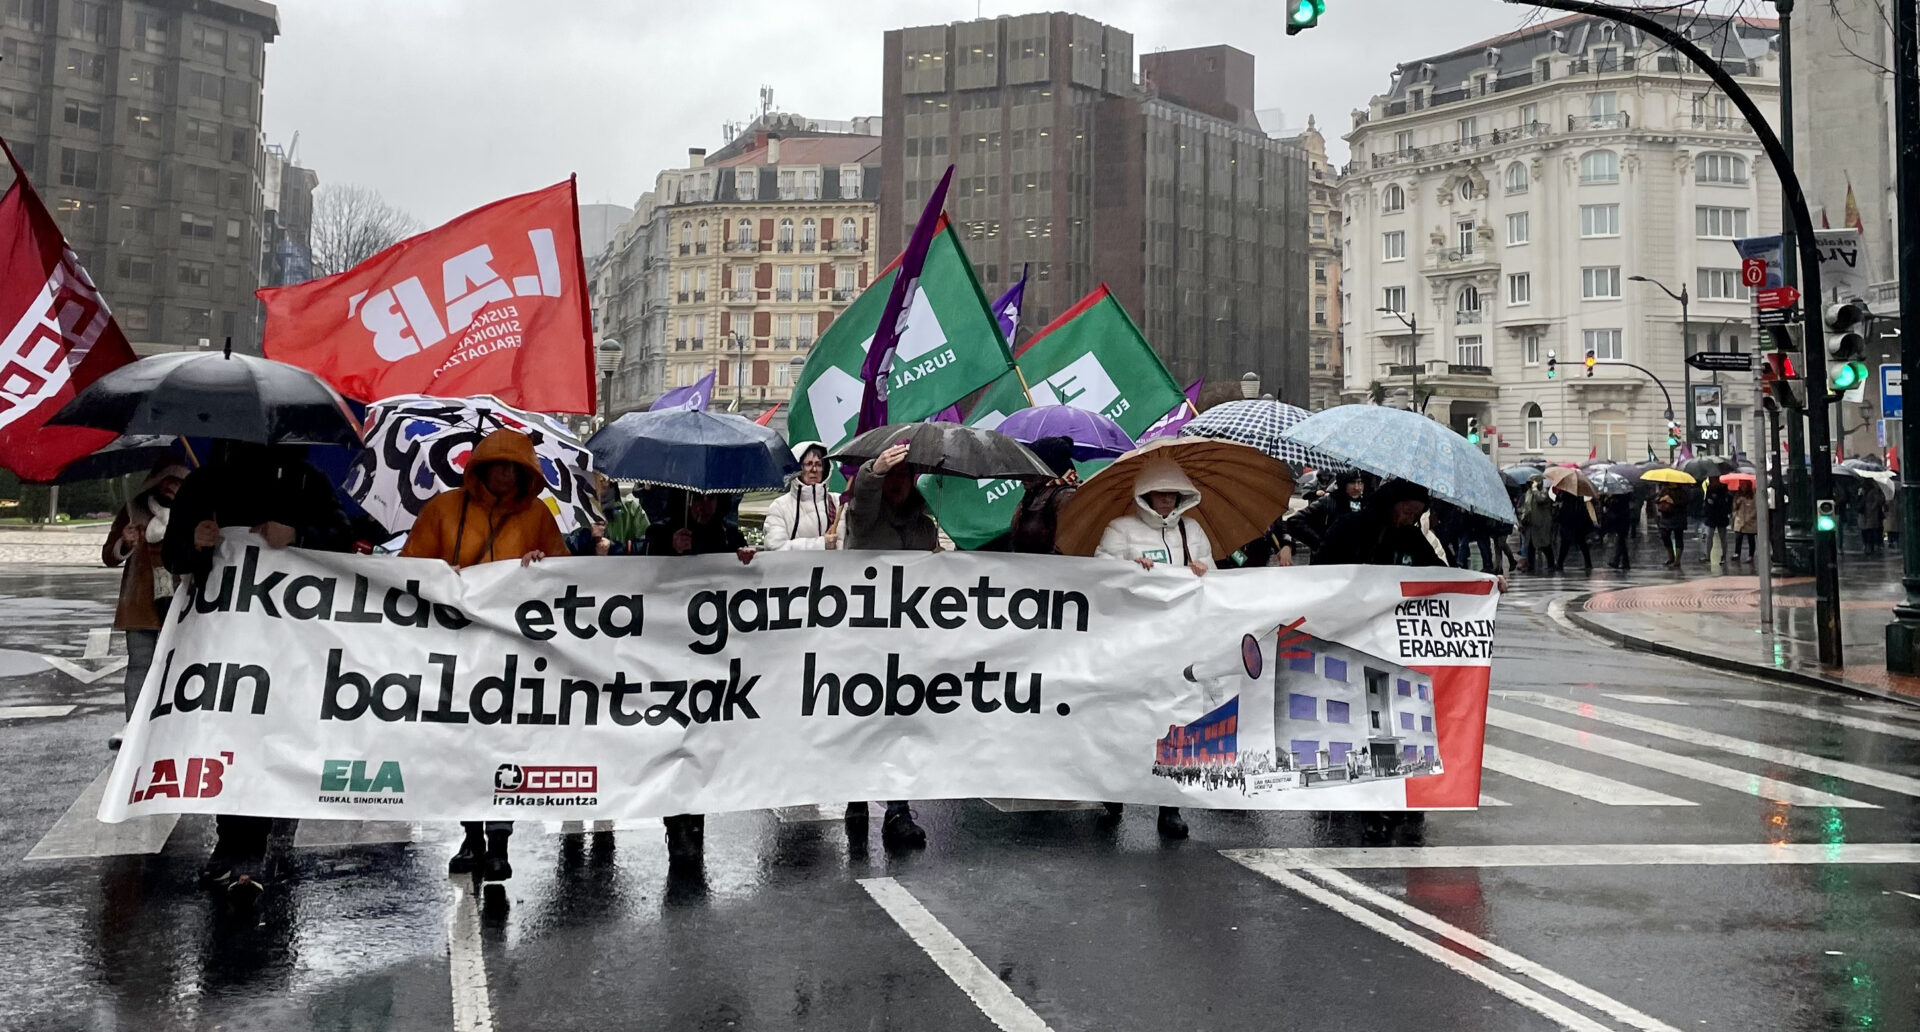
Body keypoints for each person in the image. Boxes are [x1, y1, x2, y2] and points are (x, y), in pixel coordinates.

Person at [163, 442, 351, 900]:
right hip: (219, 634)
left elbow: (343, 538)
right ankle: (232, 840)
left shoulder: (305, 481)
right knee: (226, 733)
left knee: (270, 730)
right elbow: (173, 555)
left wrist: (298, 535)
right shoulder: (204, 484)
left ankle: (251, 843)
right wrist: (195, 543)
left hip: (290, 635)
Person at [402, 429, 569, 883]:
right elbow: (407, 570)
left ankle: (499, 841)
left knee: (504, 743)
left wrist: (544, 565)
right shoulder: (442, 510)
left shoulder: (537, 515)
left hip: (511, 655)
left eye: (515, 468)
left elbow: (565, 573)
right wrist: (439, 574)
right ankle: (472, 835)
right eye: (498, 465)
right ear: (481, 467)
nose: (505, 474)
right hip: (454, 651)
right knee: (462, 745)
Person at [1093, 458, 1214, 839]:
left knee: (1173, 721)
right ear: (1145, 496)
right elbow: (1098, 573)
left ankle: (1169, 806)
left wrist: (1202, 570)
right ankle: (1114, 787)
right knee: (1127, 718)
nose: (1165, 501)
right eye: (1158, 494)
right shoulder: (1120, 529)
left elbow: (1214, 580)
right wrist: (1129, 565)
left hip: (1178, 641)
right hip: (1133, 641)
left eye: (1171, 494)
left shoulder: (1192, 530)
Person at [637, 489, 753, 864]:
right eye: (696, 501)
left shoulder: (729, 535)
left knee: (703, 738)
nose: (703, 508)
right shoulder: (660, 533)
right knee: (675, 737)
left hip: (712, 658)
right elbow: (638, 579)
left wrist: (746, 560)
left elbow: (747, 585)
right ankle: (677, 823)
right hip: (670, 654)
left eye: (710, 501)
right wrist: (669, 550)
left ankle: (695, 819)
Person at [838, 442, 937, 848]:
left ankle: (898, 810)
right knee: (862, 720)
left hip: (906, 640)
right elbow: (862, 500)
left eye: (903, 476)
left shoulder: (925, 528)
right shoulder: (864, 520)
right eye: (891, 476)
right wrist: (874, 471)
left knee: (900, 722)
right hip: (864, 639)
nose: (897, 483)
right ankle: (856, 796)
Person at [102, 461, 188, 750]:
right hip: (139, 602)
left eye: (177, 480)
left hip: (181, 602)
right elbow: (109, 556)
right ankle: (134, 724)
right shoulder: (134, 509)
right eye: (165, 479)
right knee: (140, 664)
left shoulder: (194, 510)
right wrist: (125, 542)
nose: (170, 486)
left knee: (180, 664)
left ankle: (174, 727)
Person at [1313, 479, 1448, 568]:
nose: (1410, 520)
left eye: (1416, 516)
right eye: (1407, 512)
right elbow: (1321, 568)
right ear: (1390, 505)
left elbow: (1436, 570)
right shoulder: (1348, 526)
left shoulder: (1412, 536)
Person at [1007, 436, 1079, 555]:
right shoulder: (1032, 494)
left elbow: (1068, 547)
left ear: (1048, 469)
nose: (1023, 475)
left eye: (1031, 468)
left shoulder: (1065, 497)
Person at [762, 441, 838, 551]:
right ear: (797, 468)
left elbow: (845, 545)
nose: (814, 470)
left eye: (819, 464)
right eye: (809, 464)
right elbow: (775, 546)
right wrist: (821, 544)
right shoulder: (779, 507)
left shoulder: (837, 502)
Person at [567, 474, 648, 557]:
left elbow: (648, 546)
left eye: (603, 476)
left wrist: (616, 549)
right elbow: (564, 546)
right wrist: (587, 536)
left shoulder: (631, 509)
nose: (600, 479)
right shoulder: (572, 510)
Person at [1289, 470, 1365, 553]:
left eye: (1360, 482)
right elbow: (1295, 521)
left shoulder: (1366, 503)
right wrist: (1322, 545)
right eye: (1352, 483)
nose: (1357, 487)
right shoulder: (1328, 501)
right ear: (1343, 483)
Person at [1518, 477, 1557, 573]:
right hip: (1531, 524)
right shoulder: (1528, 492)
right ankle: (1531, 566)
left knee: (1544, 544)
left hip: (1542, 523)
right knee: (1530, 545)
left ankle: (1551, 564)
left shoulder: (1544, 491)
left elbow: (1540, 499)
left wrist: (1535, 489)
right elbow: (1526, 505)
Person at [1655, 484, 1690, 566]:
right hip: (1666, 517)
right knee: (1664, 536)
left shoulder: (1683, 490)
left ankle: (1677, 560)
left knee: (1678, 537)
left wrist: (1673, 501)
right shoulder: (1664, 489)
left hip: (1679, 517)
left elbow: (1686, 501)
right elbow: (1656, 499)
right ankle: (1671, 557)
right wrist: (1662, 499)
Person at [1701, 478, 1733, 566]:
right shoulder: (1709, 490)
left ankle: (1724, 555)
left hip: (1721, 517)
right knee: (1709, 536)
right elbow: (1706, 503)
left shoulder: (1724, 491)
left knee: (1722, 537)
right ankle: (1708, 555)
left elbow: (1727, 504)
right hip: (1711, 517)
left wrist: (1716, 503)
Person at [1601, 491, 1635, 571]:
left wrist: (1608, 499)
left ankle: (1622, 562)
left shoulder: (1618, 498)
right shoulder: (1622, 497)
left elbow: (1612, 507)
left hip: (1620, 521)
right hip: (1622, 520)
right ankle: (1619, 561)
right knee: (1621, 542)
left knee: (1621, 541)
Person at [1858, 479, 1887, 557]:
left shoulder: (1875, 491)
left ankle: (1870, 546)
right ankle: (1867, 545)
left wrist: (1873, 507)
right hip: (1864, 513)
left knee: (1870, 530)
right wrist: (1860, 495)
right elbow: (1858, 501)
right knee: (1865, 530)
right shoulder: (1862, 491)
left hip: (1871, 513)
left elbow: (1879, 500)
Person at [1731, 482, 1758, 562]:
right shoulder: (1738, 495)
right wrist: (1738, 501)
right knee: (1738, 537)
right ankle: (1737, 553)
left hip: (1750, 521)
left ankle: (1751, 555)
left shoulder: (1753, 495)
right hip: (1740, 520)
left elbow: (1755, 508)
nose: (1742, 486)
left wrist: (1750, 517)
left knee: (1751, 538)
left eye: (1744, 484)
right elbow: (1734, 507)